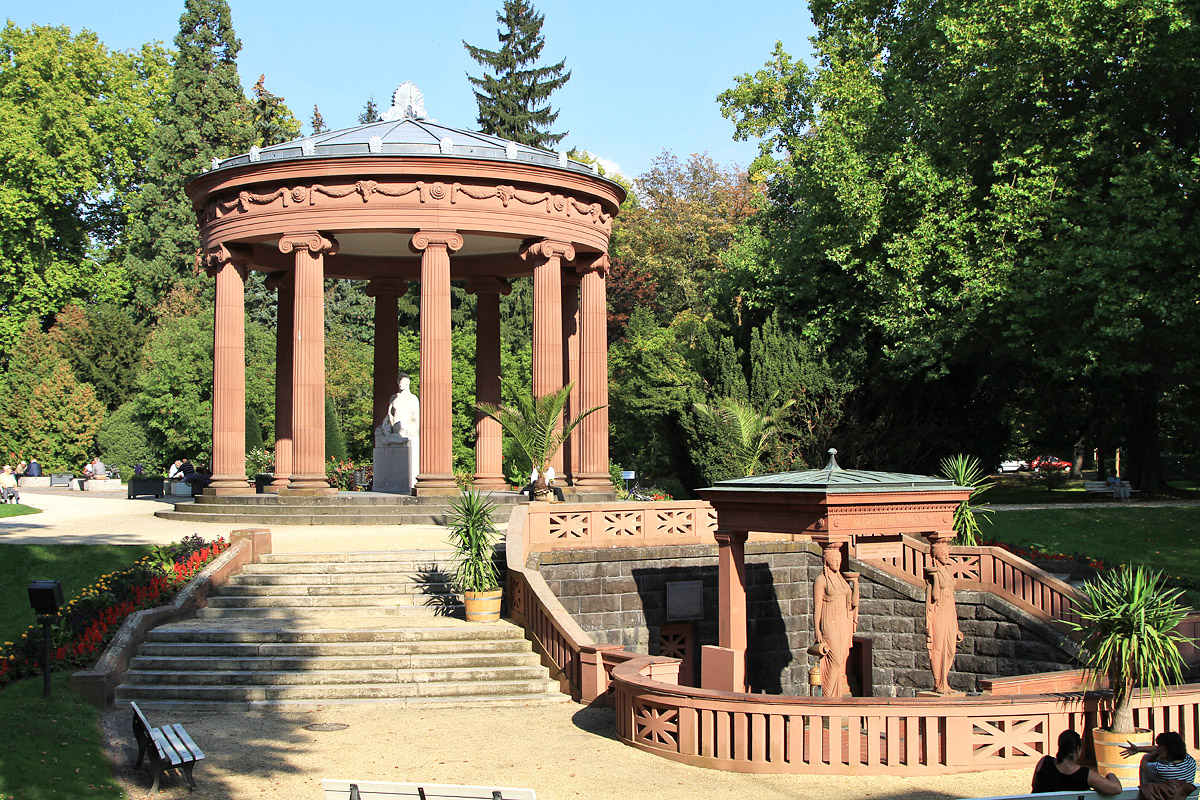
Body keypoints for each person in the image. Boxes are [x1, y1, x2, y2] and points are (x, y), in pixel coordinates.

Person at [810, 544, 860, 697]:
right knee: (836, 659)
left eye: (839, 559)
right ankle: (827, 695)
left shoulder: (842, 580)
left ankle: (834, 696)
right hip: (828, 622)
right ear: (826, 561)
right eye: (834, 559)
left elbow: (854, 603)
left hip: (842, 621)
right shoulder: (821, 580)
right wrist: (817, 630)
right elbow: (817, 606)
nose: (838, 562)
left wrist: (855, 583)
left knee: (841, 659)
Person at [926, 540, 964, 694]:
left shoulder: (947, 572)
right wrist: (934, 578)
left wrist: (956, 626)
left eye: (947, 552)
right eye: (943, 553)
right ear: (936, 555)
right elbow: (934, 596)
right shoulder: (933, 573)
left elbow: (953, 601)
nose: (947, 555)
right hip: (939, 613)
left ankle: (945, 681)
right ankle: (938, 683)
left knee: (950, 649)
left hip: (949, 612)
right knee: (938, 647)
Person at [1032, 730, 1121, 794]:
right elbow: (1116, 789)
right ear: (1078, 749)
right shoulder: (1085, 775)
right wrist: (1110, 775)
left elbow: (1034, 785)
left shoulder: (1044, 762)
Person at [1123, 732, 1197, 800]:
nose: (1157, 749)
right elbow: (1168, 749)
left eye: (1159, 746)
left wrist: (1151, 752)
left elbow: (1144, 762)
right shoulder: (1191, 762)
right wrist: (1139, 749)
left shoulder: (1160, 769)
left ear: (1168, 749)